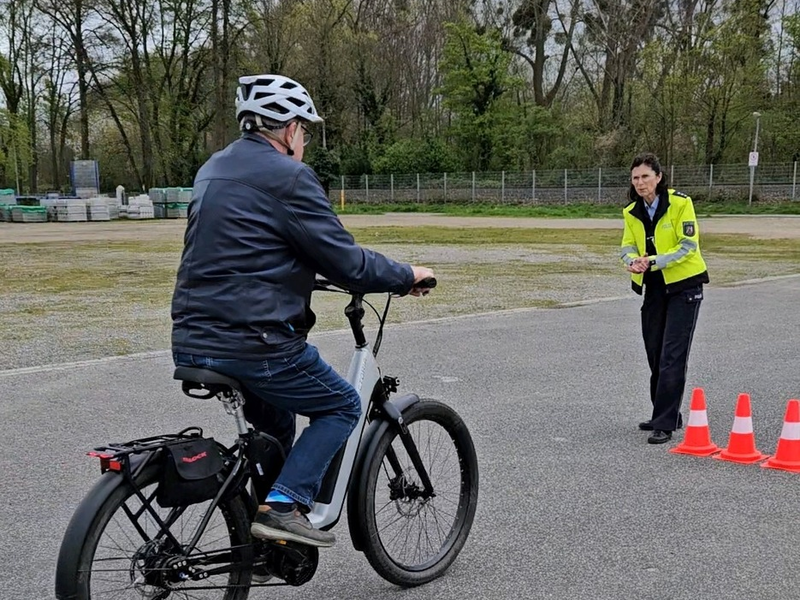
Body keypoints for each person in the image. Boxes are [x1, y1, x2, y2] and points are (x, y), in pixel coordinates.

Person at [171, 74, 435, 548]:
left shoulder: (213, 168)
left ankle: (264, 534)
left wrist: (293, 272)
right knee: (342, 404)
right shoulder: (289, 176)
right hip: (256, 341)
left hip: (194, 338)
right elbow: (348, 261)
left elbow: (244, 250)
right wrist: (406, 274)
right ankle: (282, 507)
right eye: (306, 130)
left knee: (274, 426)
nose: (306, 140)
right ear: (290, 129)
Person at [620, 153, 709, 445]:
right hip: (655, 288)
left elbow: (688, 247)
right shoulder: (631, 211)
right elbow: (627, 247)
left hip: (684, 286)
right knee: (655, 352)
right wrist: (633, 261)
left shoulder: (681, 204)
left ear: (658, 177)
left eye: (646, 176)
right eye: (636, 178)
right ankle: (666, 411)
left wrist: (654, 261)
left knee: (672, 355)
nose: (640, 182)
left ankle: (664, 422)